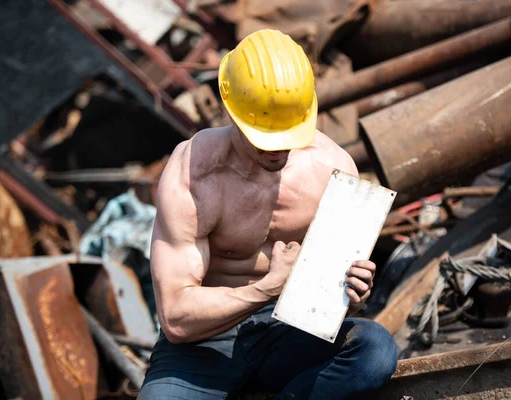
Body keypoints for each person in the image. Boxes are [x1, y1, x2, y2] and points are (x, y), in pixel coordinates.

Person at [139, 29, 398, 400]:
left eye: (288, 134)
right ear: (231, 108)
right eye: (264, 137)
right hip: (204, 343)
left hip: (292, 331)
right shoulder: (194, 174)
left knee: (374, 351)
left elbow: (333, 299)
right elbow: (177, 318)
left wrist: (353, 293)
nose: (277, 152)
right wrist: (265, 289)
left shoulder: (332, 168)